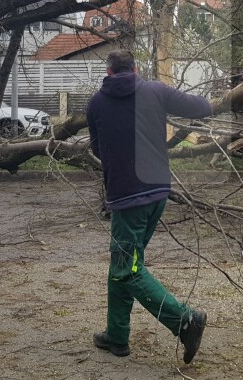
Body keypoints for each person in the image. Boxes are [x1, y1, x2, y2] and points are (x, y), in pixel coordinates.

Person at [87, 49, 213, 363]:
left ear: (108, 70)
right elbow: (201, 108)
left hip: (127, 197)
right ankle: (117, 335)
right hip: (157, 193)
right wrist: (215, 99)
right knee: (125, 265)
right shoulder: (156, 90)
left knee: (127, 269)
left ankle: (184, 320)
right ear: (136, 68)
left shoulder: (96, 103)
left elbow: (98, 149)